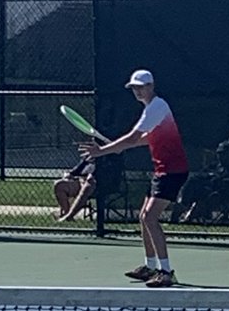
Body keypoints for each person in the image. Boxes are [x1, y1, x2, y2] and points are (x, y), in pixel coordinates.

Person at [78, 69, 188, 287]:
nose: (137, 91)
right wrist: (118, 147)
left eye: (141, 86)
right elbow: (147, 139)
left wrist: (103, 150)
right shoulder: (152, 109)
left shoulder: (157, 106)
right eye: (134, 87)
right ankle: (149, 267)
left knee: (150, 217)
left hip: (173, 171)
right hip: (162, 170)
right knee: (143, 217)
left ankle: (166, 272)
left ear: (151, 86)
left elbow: (134, 136)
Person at [54, 138, 122, 222]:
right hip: (81, 181)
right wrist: (68, 175)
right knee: (59, 185)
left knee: (89, 183)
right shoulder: (88, 157)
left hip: (98, 185)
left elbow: (118, 154)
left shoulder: (110, 157)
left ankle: (69, 216)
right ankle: (66, 213)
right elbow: (75, 171)